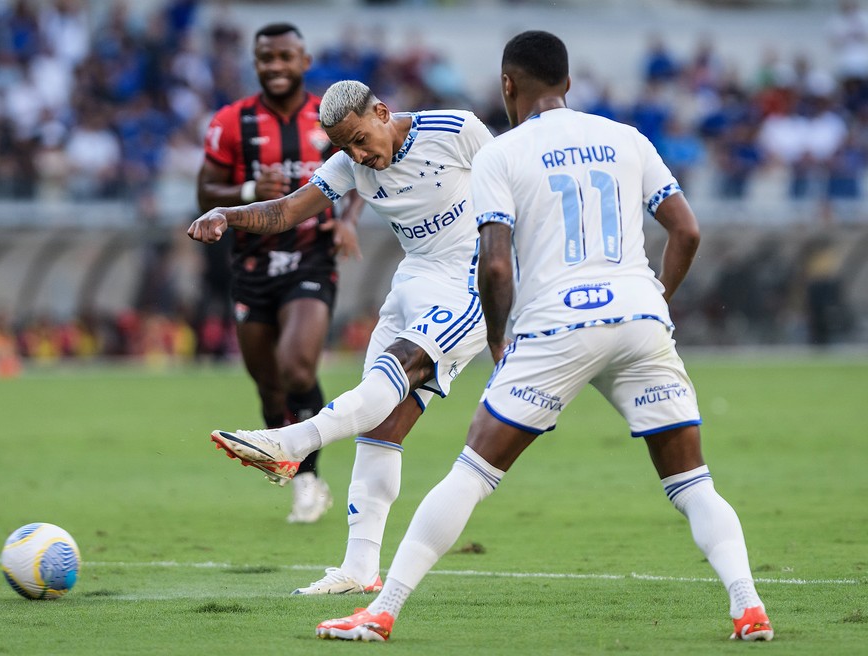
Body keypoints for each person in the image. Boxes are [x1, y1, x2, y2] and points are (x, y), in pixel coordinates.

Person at [315, 31, 774, 643]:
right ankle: (748, 606)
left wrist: (500, 339)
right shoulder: (626, 137)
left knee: (471, 474)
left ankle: (381, 610)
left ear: (508, 84)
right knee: (692, 483)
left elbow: (496, 264)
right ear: (568, 80)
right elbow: (686, 231)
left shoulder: (501, 154)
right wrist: (657, 299)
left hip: (556, 327)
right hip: (640, 320)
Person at [189, 80, 493, 594]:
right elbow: (286, 210)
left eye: (360, 139)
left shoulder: (456, 129)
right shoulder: (350, 164)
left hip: (468, 282)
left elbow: (517, 187)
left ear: (381, 111)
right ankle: (358, 569)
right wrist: (226, 215)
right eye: (343, 147)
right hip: (412, 283)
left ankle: (290, 442)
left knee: (386, 382)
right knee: (379, 427)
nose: (357, 154)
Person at [197, 23, 362, 524]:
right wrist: (248, 189)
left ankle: (309, 482)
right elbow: (206, 192)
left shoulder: (328, 118)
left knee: (297, 368)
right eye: (265, 58)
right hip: (252, 265)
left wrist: (347, 223)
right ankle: (293, 468)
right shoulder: (232, 121)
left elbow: (362, 172)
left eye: (284, 57)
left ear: (304, 61)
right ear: (256, 62)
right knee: (269, 386)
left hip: (311, 258)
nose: (274, 66)